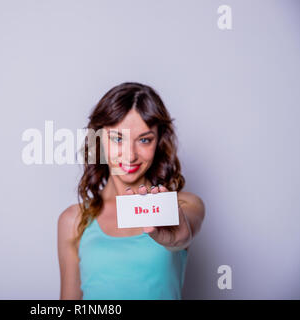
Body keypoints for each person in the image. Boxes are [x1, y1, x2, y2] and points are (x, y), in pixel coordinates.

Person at [57, 82, 205, 300]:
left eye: (144, 140)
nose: (130, 155)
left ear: (158, 142)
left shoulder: (183, 205)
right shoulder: (73, 220)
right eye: (118, 138)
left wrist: (178, 239)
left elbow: (184, 233)